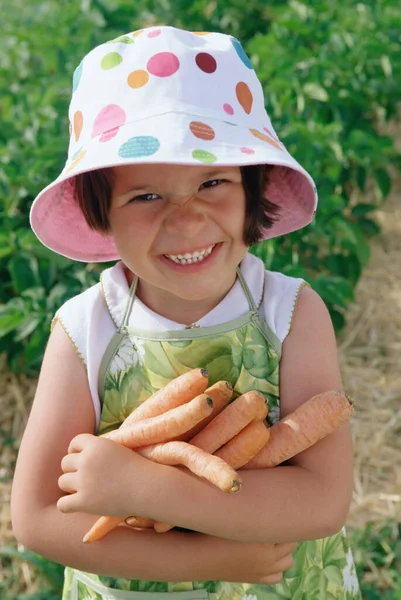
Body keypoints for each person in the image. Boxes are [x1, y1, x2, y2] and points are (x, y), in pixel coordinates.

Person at [11, 25, 361, 599]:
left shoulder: (292, 313)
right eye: (145, 196)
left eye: (213, 182)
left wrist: (148, 490)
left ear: (254, 190)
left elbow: (321, 502)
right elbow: (38, 516)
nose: (187, 220)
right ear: (102, 217)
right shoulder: (84, 331)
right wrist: (210, 557)